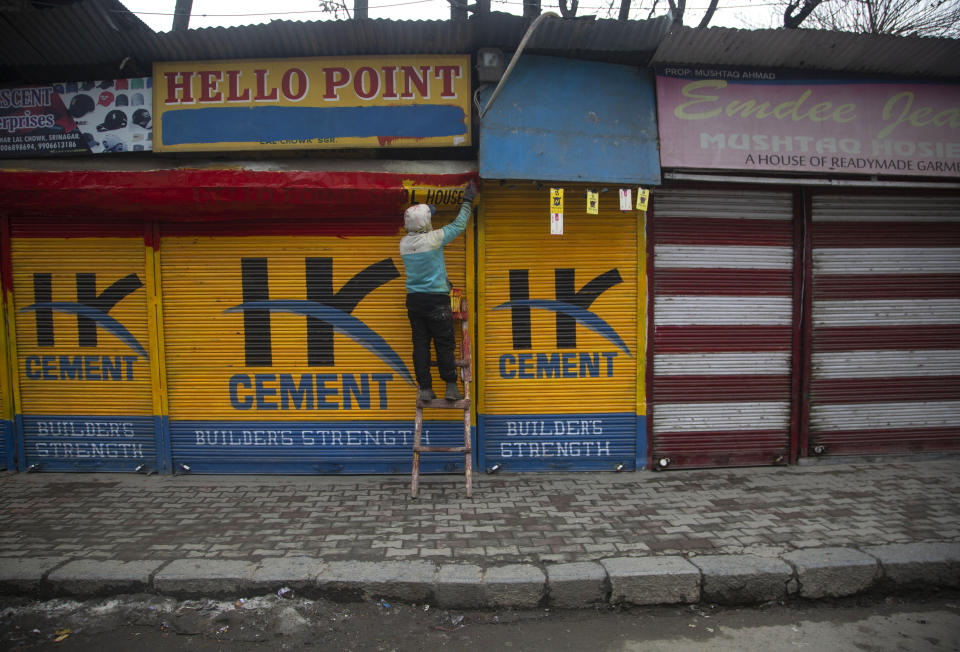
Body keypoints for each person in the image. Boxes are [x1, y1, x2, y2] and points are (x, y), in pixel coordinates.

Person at [400, 181, 478, 402]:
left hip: (414, 301)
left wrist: (430, 207)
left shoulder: (404, 244)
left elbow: (428, 266)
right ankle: (451, 387)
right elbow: (459, 224)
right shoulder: (434, 239)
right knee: (444, 344)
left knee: (420, 344)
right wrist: (467, 200)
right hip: (436, 301)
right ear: (426, 223)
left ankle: (425, 389)